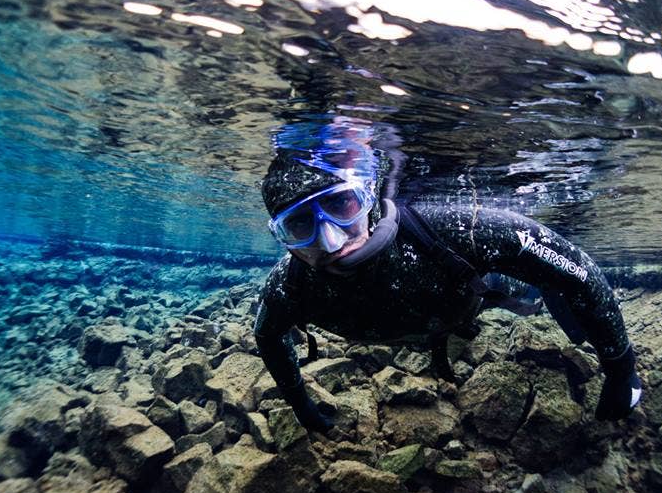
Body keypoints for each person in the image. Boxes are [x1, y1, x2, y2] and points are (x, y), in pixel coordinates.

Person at [253, 151, 642, 433]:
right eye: (300, 225)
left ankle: (542, 293)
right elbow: (267, 336)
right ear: (282, 239)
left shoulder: (456, 229)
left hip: (473, 298)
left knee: (539, 282)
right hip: (438, 314)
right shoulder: (289, 285)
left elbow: (581, 272)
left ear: (367, 196)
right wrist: (300, 403)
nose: (333, 240)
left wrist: (620, 369)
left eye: (341, 204)